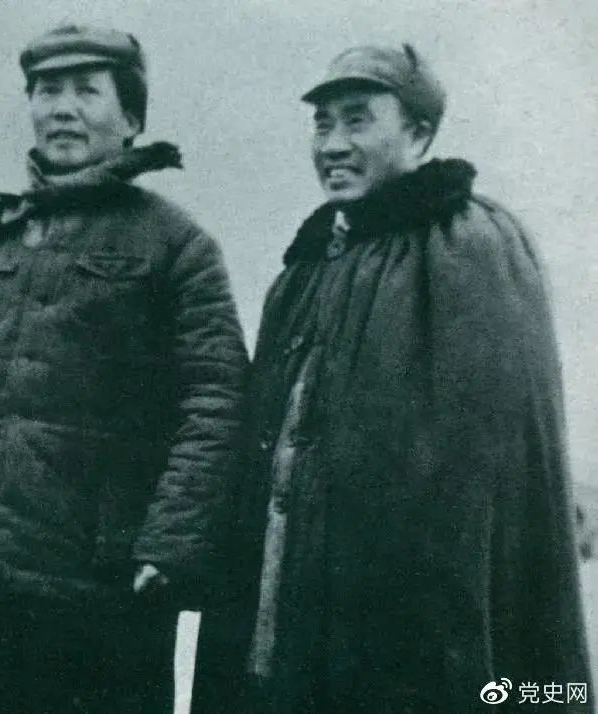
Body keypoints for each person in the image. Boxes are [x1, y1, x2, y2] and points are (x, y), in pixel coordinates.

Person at [193, 44, 592, 713]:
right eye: (322, 124)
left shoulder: (471, 245)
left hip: (413, 613)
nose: (333, 144)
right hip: (292, 599)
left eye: (357, 120)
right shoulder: (305, 269)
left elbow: (490, 467)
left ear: (419, 134)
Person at [0, 24, 248, 714]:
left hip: (101, 588)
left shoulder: (176, 243)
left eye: (86, 91)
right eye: (47, 91)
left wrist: (169, 544)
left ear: (131, 118)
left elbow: (214, 400)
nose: (63, 108)